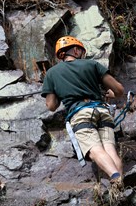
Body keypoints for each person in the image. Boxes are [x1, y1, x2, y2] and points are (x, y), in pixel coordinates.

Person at [41, 36, 125, 192]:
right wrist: (112, 94)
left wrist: (60, 92)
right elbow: (119, 90)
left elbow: (51, 106)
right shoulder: (92, 64)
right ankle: (119, 191)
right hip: (102, 111)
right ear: (76, 50)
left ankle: (115, 178)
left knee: (94, 150)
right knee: (110, 149)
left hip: (80, 114)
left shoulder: (52, 73)